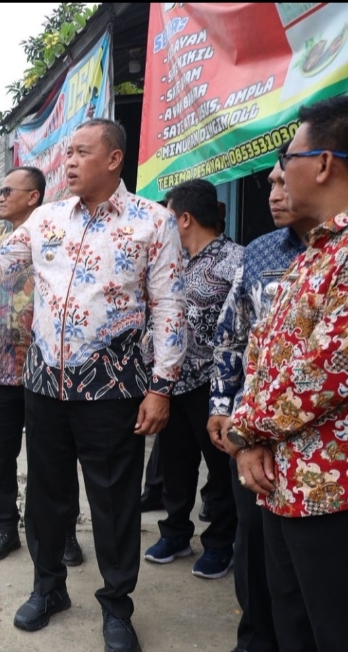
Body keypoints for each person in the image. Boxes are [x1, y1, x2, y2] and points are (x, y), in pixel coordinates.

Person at [0, 118, 187, 652]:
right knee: (47, 495)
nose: (71, 162)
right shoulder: (46, 220)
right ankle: (48, 588)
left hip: (113, 387)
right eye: (69, 153)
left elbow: (170, 307)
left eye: (83, 152)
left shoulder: (151, 223)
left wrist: (162, 387)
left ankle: (116, 606)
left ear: (114, 159)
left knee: (112, 501)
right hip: (44, 385)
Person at [226, 95, 348, 652]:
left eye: (287, 158)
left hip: (341, 496)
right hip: (286, 485)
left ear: (323, 163)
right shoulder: (322, 248)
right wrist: (258, 439)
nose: (279, 173)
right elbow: (266, 351)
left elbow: (324, 373)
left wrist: (243, 430)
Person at [201, 147, 313, 652]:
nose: (273, 192)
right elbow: (232, 336)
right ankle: (257, 645)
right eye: (268, 181)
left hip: (321, 443)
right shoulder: (263, 252)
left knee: (319, 565)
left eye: (282, 180)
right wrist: (223, 407)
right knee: (256, 544)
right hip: (251, 437)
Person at [0, 166, 82, 567]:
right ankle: (5, 528)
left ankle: (64, 534)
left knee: (55, 458)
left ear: (34, 196)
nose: (1, 197)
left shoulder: (57, 248)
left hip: (46, 373)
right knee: (0, 458)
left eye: (9, 190)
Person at [143, 179, 241, 578]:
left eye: (167, 216)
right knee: (175, 464)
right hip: (172, 384)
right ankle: (176, 533)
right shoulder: (174, 263)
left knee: (219, 471)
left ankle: (220, 542)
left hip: (213, 386)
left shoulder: (235, 261)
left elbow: (241, 330)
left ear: (183, 218)